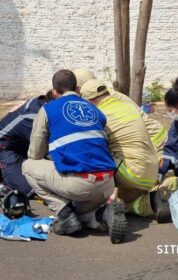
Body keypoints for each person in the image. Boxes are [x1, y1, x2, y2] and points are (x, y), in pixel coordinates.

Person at [22, 70, 128, 243]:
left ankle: (64, 215)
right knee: (80, 211)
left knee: (28, 166)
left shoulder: (48, 109)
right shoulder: (95, 109)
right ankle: (102, 215)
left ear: (54, 92)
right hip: (107, 183)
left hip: (80, 184)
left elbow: (35, 153)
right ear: (78, 89)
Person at [80, 79, 170, 222]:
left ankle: (94, 208)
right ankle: (152, 200)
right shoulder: (128, 106)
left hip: (131, 173)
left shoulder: (99, 115)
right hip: (151, 172)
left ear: (90, 101)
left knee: (90, 157)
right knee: (124, 200)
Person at [73, 68, 168, 158]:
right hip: (154, 136)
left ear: (79, 88)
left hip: (153, 141)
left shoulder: (100, 99)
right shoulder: (106, 94)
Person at [0, 91, 53, 197]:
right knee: (29, 189)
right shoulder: (34, 117)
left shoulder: (42, 104)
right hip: (5, 149)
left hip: (21, 144)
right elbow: (44, 148)